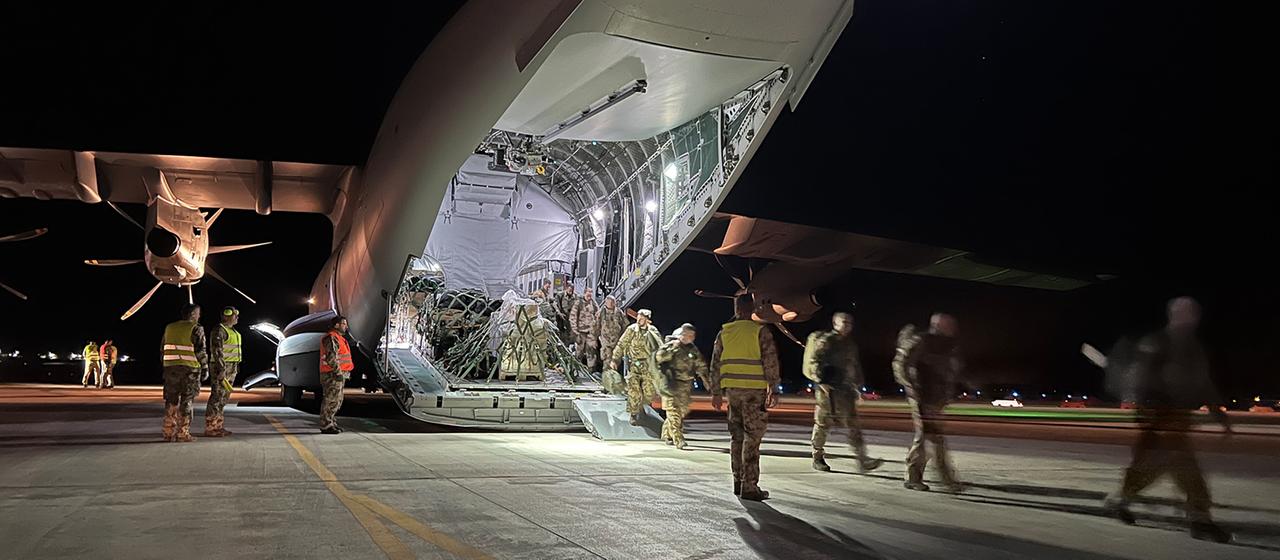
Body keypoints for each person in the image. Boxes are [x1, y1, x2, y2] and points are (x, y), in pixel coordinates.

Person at [1103, 297, 1232, 543]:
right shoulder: (1156, 343)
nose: (1191, 318)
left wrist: (1219, 413)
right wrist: (1144, 409)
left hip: (1178, 417)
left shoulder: (1194, 349)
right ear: (1173, 314)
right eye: (1185, 313)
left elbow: (1203, 384)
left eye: (1193, 314)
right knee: (1181, 468)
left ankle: (1120, 500)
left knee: (1152, 468)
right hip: (1159, 416)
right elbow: (1139, 378)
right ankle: (1200, 520)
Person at [709, 296, 780, 501]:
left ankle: (737, 481)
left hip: (733, 393)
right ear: (753, 309)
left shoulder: (725, 333)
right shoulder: (760, 331)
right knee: (753, 438)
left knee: (736, 437)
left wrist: (715, 392)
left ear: (736, 309)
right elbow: (770, 362)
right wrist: (773, 388)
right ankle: (750, 486)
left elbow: (716, 364)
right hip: (753, 393)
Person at [803, 312, 884, 473]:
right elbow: (813, 362)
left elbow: (854, 365)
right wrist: (821, 381)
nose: (847, 326)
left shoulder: (850, 344)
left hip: (845, 390)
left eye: (850, 323)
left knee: (854, 425)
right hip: (828, 390)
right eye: (844, 322)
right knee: (823, 424)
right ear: (835, 323)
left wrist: (858, 386)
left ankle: (862, 459)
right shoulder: (825, 341)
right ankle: (817, 457)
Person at [894, 313, 962, 492]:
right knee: (925, 436)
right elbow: (900, 363)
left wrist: (947, 395)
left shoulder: (948, 346)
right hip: (921, 396)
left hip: (936, 399)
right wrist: (911, 387)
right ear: (937, 325)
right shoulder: (920, 341)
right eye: (949, 325)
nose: (953, 328)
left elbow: (948, 373)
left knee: (936, 438)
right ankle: (914, 477)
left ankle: (946, 479)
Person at [654, 323, 709, 449]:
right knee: (673, 411)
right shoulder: (671, 346)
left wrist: (706, 380)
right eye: (687, 334)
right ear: (681, 334)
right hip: (670, 384)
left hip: (685, 385)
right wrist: (672, 349)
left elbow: (700, 365)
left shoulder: (692, 349)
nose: (689, 337)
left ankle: (667, 434)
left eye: (692, 335)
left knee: (681, 412)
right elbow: (659, 358)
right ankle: (678, 439)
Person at [161, 304, 208, 442]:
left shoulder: (170, 327)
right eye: (198, 313)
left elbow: (162, 348)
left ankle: (168, 432)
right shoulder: (196, 328)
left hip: (170, 369)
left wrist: (165, 366)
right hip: (190, 370)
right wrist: (205, 368)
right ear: (193, 314)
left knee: (171, 400)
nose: (199, 316)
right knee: (187, 400)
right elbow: (200, 350)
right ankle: (183, 433)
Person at [610, 308, 663, 424]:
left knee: (649, 391)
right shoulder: (632, 330)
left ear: (647, 319)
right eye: (638, 316)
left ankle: (643, 407)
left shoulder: (653, 331)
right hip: (635, 364)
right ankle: (634, 413)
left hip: (648, 365)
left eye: (642, 317)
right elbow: (621, 344)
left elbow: (660, 347)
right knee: (634, 390)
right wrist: (614, 359)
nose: (639, 319)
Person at [204, 306, 241, 437]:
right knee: (217, 397)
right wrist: (221, 370)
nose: (237, 317)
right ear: (226, 315)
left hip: (231, 367)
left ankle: (218, 426)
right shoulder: (219, 330)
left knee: (224, 398)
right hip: (221, 368)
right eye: (234, 314)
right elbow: (217, 351)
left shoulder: (232, 331)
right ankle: (211, 427)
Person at [318, 315, 354, 434]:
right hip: (332, 374)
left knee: (337, 400)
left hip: (338, 374)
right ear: (336, 325)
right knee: (331, 400)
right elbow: (331, 357)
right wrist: (338, 372)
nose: (346, 326)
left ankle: (331, 422)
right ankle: (326, 425)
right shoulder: (331, 338)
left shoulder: (338, 338)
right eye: (344, 324)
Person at [594, 295, 629, 370]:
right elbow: (596, 325)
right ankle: (607, 377)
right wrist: (595, 338)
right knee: (607, 359)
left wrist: (623, 337)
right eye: (609, 302)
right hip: (606, 341)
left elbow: (625, 325)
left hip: (616, 340)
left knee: (616, 359)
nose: (611, 304)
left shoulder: (619, 312)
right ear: (606, 303)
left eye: (612, 302)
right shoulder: (601, 312)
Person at [569, 288, 600, 370]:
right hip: (581, 332)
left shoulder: (593, 303)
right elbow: (573, 317)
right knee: (579, 352)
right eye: (588, 293)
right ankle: (576, 370)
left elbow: (598, 315)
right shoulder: (579, 303)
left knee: (591, 352)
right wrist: (575, 332)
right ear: (584, 293)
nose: (590, 294)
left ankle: (591, 370)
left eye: (591, 293)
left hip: (591, 332)